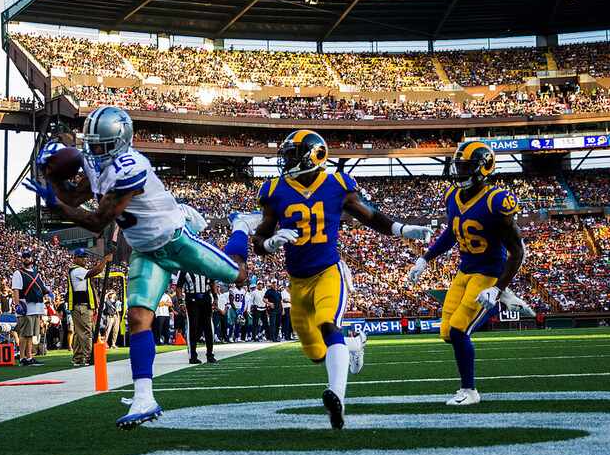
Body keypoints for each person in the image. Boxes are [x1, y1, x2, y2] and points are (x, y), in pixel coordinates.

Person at [23, 105, 259, 429]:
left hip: (178, 242)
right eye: (90, 143)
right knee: (137, 317)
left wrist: (54, 201)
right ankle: (144, 397)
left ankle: (241, 225)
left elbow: (97, 221)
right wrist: (52, 181)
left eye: (101, 145)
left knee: (239, 274)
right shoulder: (95, 160)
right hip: (146, 251)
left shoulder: (130, 167)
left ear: (120, 142)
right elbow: (75, 198)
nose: (93, 151)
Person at [253, 129, 432, 429]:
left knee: (328, 324)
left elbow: (370, 216)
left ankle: (337, 396)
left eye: (292, 155)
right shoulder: (275, 190)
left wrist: (402, 229)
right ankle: (352, 345)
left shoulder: (337, 184)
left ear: (314, 156)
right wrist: (269, 244)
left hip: (328, 272)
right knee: (314, 353)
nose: (286, 161)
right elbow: (260, 237)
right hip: (297, 282)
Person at [407, 140, 529, 406]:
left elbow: (518, 252)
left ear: (483, 168)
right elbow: (452, 232)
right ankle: (505, 295)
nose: (460, 172)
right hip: (464, 272)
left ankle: (469, 391)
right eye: (459, 166)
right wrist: (425, 259)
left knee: (460, 330)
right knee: (447, 333)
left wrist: (496, 287)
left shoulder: (498, 200)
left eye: (467, 167)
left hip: (487, 274)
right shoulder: (452, 196)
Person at [65, 249, 108, 366]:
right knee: (86, 332)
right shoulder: (76, 270)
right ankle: (88, 357)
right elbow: (97, 271)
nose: (85, 259)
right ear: (75, 258)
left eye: (85, 257)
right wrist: (105, 260)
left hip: (82, 306)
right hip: (81, 306)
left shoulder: (79, 270)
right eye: (82, 257)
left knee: (80, 333)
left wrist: (94, 304)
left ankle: (78, 358)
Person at [12, 250, 50, 366]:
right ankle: (23, 358)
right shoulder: (18, 273)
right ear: (22, 259)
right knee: (25, 334)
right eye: (24, 257)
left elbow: (43, 289)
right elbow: (16, 290)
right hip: (26, 307)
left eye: (28, 257)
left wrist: (48, 295)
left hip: (37, 307)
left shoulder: (36, 273)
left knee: (31, 335)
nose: (26, 259)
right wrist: (17, 305)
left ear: (32, 259)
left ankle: (29, 357)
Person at [177, 269, 216, 364]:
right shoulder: (185, 269)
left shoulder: (206, 268)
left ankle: (210, 354)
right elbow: (179, 287)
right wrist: (181, 302)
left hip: (206, 299)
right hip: (192, 300)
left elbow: (212, 284)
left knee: (209, 327)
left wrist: (215, 297)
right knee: (193, 327)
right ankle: (192, 356)